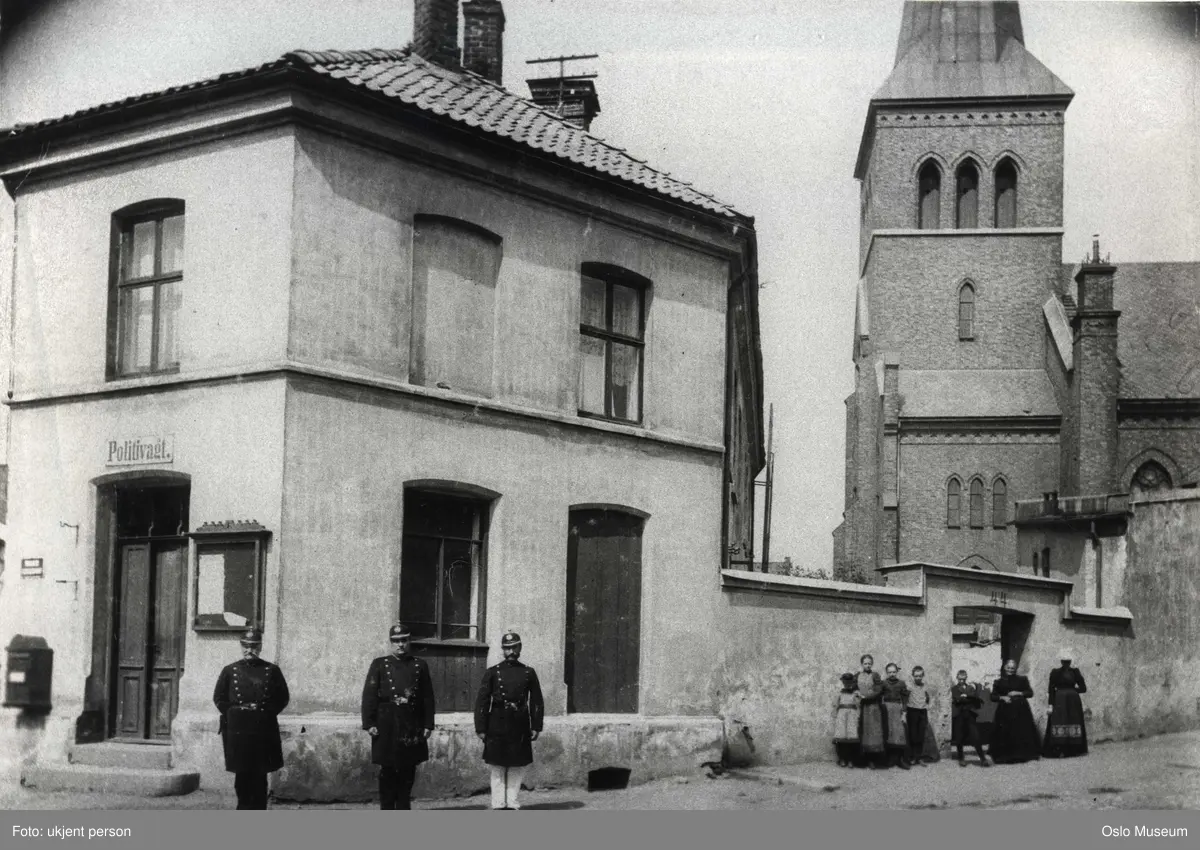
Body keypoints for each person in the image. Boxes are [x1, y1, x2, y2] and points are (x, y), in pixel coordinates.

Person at [212, 627, 291, 809]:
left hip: (262, 730)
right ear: (241, 647)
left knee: (260, 776)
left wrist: (265, 713)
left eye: (254, 646)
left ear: (260, 647)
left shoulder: (271, 670)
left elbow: (283, 698)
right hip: (238, 731)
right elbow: (219, 698)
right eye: (246, 646)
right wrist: (234, 713)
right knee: (242, 776)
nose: (249, 650)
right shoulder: (230, 671)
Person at [361, 624, 436, 810]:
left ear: (409, 641)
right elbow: (369, 694)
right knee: (387, 771)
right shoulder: (380, 664)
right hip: (386, 724)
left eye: (404, 640)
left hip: (411, 724)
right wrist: (369, 723)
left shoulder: (419, 665)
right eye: (396, 641)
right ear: (390, 643)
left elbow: (428, 697)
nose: (400, 645)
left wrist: (428, 724)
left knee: (408, 771)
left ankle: (403, 809)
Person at [475, 631, 545, 810]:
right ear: (502, 650)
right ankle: (498, 804)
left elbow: (536, 700)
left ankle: (512, 803)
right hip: (496, 724)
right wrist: (481, 727)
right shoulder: (493, 672)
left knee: (516, 766)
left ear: (520, 648)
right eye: (507, 648)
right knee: (497, 766)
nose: (511, 651)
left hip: (519, 725)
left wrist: (536, 725)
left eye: (514, 647)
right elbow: (482, 701)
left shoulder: (528, 672)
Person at [989, 659, 1041, 764]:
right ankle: (1006, 757)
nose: (1010, 670)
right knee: (1005, 732)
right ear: (1004, 668)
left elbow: (1030, 693)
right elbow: (993, 696)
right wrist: (1002, 698)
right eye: (1008, 668)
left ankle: (1021, 755)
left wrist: (1019, 693)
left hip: (1021, 711)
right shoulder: (998, 682)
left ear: (1015, 669)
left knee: (1021, 732)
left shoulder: (1022, 679)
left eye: (1012, 668)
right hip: (1004, 711)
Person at [1044, 650, 1089, 758]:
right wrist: (1050, 705)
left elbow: (1083, 688)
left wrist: (1072, 691)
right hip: (1059, 701)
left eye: (1068, 661)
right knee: (1059, 721)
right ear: (1061, 661)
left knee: (1072, 721)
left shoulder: (1075, 672)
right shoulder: (1055, 672)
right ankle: (1059, 750)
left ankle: (1073, 750)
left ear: (1070, 661)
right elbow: (1051, 689)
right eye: (1064, 661)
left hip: (1073, 702)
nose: (1066, 663)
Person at [950, 670, 990, 767]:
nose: (962, 681)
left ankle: (983, 759)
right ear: (957, 678)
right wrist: (967, 698)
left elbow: (975, 697)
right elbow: (957, 699)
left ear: (966, 678)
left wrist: (966, 696)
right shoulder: (954, 688)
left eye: (963, 679)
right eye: (960, 679)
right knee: (959, 737)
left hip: (970, 715)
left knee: (975, 736)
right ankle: (961, 758)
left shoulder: (970, 688)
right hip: (959, 715)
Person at [855, 654, 886, 769]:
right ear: (862, 664)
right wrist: (857, 693)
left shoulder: (875, 675)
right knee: (861, 731)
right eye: (865, 663)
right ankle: (862, 759)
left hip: (872, 707)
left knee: (873, 732)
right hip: (861, 707)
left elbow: (878, 690)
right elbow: (853, 687)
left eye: (869, 663)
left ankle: (873, 760)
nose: (867, 665)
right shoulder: (857, 675)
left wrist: (866, 696)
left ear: (872, 664)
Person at [880, 663, 911, 769]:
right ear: (886, 673)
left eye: (894, 672)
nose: (892, 674)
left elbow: (905, 699)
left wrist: (904, 712)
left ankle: (900, 760)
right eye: (889, 672)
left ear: (897, 672)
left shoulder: (901, 683)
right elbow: (879, 696)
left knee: (899, 733)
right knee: (888, 733)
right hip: (887, 710)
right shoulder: (883, 683)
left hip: (897, 709)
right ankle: (889, 760)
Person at [905, 666, 932, 766]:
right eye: (916, 676)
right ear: (913, 676)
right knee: (913, 735)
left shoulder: (925, 686)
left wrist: (925, 705)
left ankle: (919, 757)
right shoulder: (909, 686)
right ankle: (912, 757)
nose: (918, 678)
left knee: (921, 735)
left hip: (922, 712)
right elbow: (905, 697)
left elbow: (927, 697)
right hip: (912, 711)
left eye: (920, 676)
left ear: (923, 676)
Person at [832, 672, 860, 767]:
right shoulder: (839, 693)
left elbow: (859, 705)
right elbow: (835, 704)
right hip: (842, 716)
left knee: (852, 737)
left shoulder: (855, 694)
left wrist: (857, 697)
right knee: (841, 737)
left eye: (850, 682)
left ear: (853, 683)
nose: (847, 684)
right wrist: (836, 715)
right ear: (843, 683)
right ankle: (842, 759)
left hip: (852, 715)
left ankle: (851, 760)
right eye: (845, 682)